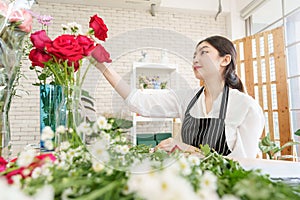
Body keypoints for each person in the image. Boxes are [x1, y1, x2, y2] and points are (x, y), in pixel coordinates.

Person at [91, 35, 265, 159]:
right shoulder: (187, 98)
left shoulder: (246, 106)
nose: (196, 59)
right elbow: (140, 103)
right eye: (194, 55)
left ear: (225, 60)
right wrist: (102, 66)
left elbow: (244, 165)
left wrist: (190, 149)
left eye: (203, 53)